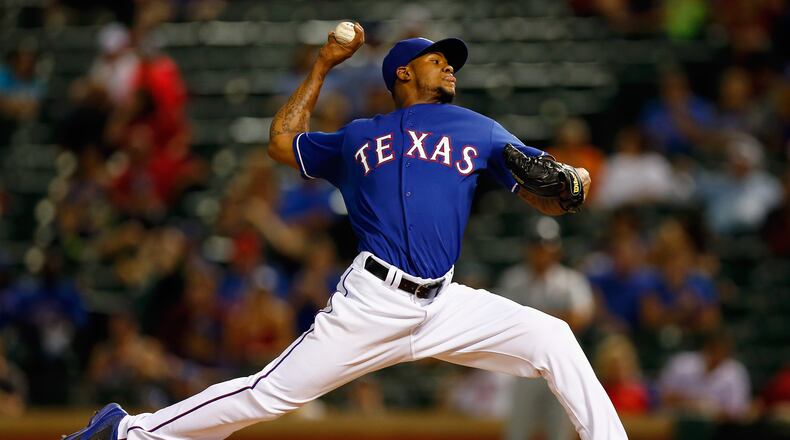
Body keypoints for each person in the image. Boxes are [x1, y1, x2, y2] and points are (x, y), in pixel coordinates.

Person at [66, 24, 627, 440]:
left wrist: (568, 190)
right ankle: (127, 433)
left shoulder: (477, 128)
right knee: (268, 394)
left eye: (451, 62)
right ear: (403, 72)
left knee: (554, 338)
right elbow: (283, 143)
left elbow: (542, 191)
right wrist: (322, 67)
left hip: (445, 303)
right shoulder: (358, 136)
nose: (451, 67)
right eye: (438, 60)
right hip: (374, 301)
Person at [497, 217, 594, 440]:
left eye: (546, 246)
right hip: (524, 367)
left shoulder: (571, 280)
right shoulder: (513, 279)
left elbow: (581, 317)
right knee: (517, 433)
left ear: (556, 249)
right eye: (536, 246)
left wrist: (533, 319)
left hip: (562, 368)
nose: (541, 251)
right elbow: (503, 322)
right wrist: (555, 320)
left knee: (559, 433)